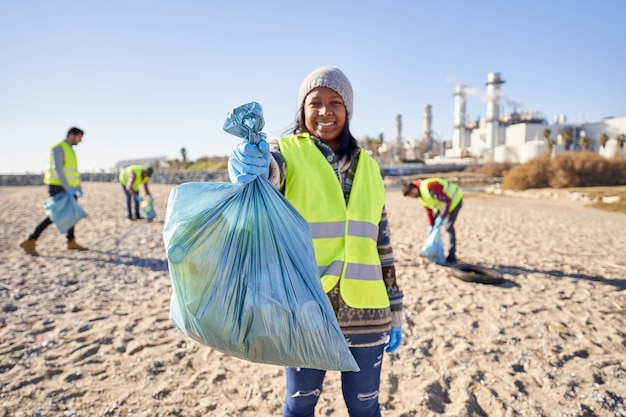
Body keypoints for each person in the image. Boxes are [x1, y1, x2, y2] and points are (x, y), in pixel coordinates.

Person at [228, 67, 404, 417]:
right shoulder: (286, 151)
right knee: (300, 403)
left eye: (335, 102)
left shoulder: (369, 165)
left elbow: (382, 245)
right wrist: (254, 170)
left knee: (365, 406)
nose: (325, 111)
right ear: (302, 110)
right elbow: (270, 174)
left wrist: (396, 309)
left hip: (369, 313)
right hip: (306, 310)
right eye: (315, 103)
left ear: (348, 109)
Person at [20, 127, 88, 255]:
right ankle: (31, 240)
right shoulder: (58, 148)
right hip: (58, 187)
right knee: (54, 215)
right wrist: (68, 189)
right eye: (79, 137)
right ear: (71, 135)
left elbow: (72, 171)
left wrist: (78, 188)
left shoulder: (70, 150)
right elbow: (58, 170)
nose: (81, 140)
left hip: (69, 188)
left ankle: (71, 241)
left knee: (71, 213)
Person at [402, 178, 464, 264]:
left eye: (410, 195)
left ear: (413, 189)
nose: (412, 198)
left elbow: (447, 201)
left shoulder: (430, 186)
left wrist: (442, 217)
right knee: (435, 228)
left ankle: (452, 256)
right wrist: (431, 224)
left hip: (455, 200)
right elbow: (429, 210)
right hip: (443, 205)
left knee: (448, 227)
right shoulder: (421, 196)